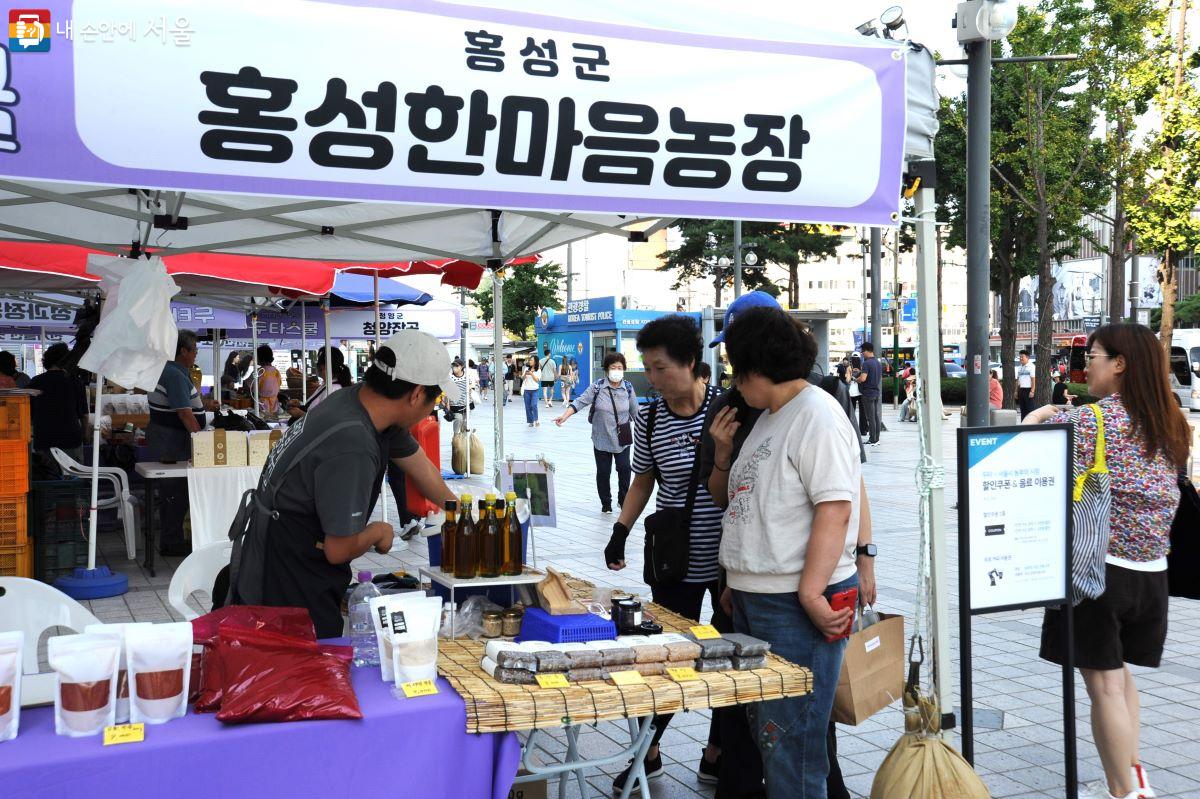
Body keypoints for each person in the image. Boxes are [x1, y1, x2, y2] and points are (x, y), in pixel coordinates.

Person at [1024, 324, 1190, 799]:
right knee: (1118, 678)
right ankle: (1134, 779)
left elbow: (1027, 461)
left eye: (1093, 355)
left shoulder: (1091, 422)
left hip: (1096, 572)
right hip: (1152, 572)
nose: (1086, 365)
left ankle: (1127, 792)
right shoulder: (1170, 420)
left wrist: (1037, 419)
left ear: (1119, 364)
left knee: (1105, 688)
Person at [707, 306, 864, 799]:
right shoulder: (772, 417)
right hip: (759, 599)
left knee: (792, 749)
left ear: (754, 366)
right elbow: (751, 503)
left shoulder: (817, 414)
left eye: (734, 366)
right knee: (772, 738)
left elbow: (836, 507)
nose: (733, 379)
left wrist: (814, 593)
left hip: (795, 605)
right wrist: (738, 580)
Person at [229, 331, 459, 638]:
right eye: (435, 399)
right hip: (289, 571)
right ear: (417, 394)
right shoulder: (353, 443)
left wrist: (463, 511)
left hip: (288, 548)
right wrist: (379, 530)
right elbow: (338, 550)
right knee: (308, 667)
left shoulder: (361, 402)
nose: (432, 409)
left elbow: (421, 467)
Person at [603, 314, 724, 794]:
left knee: (729, 655)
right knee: (667, 657)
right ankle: (647, 753)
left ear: (691, 363)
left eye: (660, 368)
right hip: (672, 557)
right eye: (646, 369)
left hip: (729, 560)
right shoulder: (650, 415)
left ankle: (717, 751)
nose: (650, 379)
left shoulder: (725, 412)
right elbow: (643, 479)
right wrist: (620, 531)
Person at [147, 330, 218, 557]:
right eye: (194, 350)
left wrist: (204, 405)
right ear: (183, 351)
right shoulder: (175, 375)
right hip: (172, 439)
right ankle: (172, 541)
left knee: (174, 491)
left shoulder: (171, 371)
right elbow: (185, 414)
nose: (196, 354)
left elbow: (185, 405)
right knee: (174, 491)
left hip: (167, 435)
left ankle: (172, 537)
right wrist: (201, 440)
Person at [554, 352, 638, 514]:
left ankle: (624, 500)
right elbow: (580, 402)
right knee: (603, 472)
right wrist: (564, 416)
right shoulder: (598, 386)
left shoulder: (627, 388)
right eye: (613, 367)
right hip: (601, 438)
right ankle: (606, 502)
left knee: (625, 469)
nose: (617, 371)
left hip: (622, 437)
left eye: (620, 368)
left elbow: (636, 413)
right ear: (607, 370)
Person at [27, 343, 87, 456]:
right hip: (71, 439)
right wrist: (86, 437)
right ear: (67, 361)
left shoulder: (35, 382)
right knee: (71, 472)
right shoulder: (75, 381)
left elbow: (29, 415)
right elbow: (84, 415)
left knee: (47, 472)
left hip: (44, 439)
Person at [287, 347, 353, 421]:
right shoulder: (326, 385)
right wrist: (300, 406)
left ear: (324, 367)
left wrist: (300, 414)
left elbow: (325, 420)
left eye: (318, 363)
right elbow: (315, 409)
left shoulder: (333, 388)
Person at [856, 342, 883, 446]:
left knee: (870, 417)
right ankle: (877, 438)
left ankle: (872, 439)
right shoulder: (877, 362)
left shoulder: (866, 363)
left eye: (862, 351)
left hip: (867, 393)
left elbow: (863, 378)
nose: (862, 353)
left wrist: (855, 379)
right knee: (875, 416)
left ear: (867, 351)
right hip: (876, 392)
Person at [253, 344, 282, 415]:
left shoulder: (259, 371)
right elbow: (279, 385)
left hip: (261, 405)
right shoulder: (276, 371)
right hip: (274, 404)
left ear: (260, 358)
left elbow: (248, 385)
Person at [522, 355, 541, 427]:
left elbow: (537, 380)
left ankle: (536, 420)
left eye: (531, 360)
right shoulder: (526, 368)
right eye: (530, 360)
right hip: (526, 390)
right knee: (527, 407)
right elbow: (522, 378)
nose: (530, 361)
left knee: (534, 405)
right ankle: (531, 421)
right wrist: (525, 375)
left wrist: (531, 374)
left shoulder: (538, 370)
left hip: (535, 390)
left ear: (535, 362)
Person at [1016, 349, 1035, 418]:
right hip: (1021, 390)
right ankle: (1023, 425)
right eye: (1020, 357)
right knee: (1022, 409)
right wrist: (1016, 391)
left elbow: (1033, 380)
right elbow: (1018, 380)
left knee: (1030, 409)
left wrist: (1032, 391)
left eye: (1022, 357)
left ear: (1027, 357)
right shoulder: (1019, 367)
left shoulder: (1031, 366)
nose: (1021, 358)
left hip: (1028, 390)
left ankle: (1031, 426)